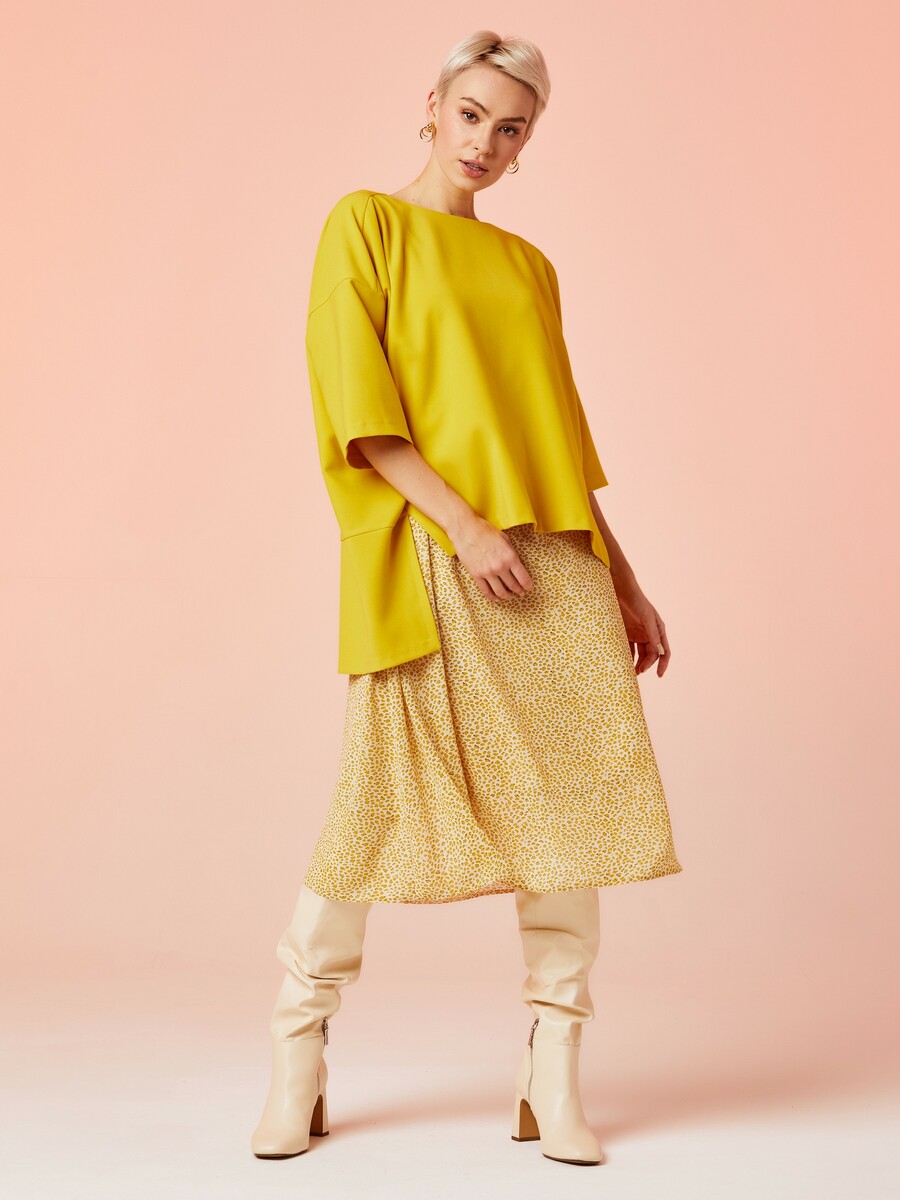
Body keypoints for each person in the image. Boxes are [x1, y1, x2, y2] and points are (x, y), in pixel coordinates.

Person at [251, 29, 683, 1168]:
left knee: (572, 809)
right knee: (375, 801)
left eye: (512, 127)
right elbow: (360, 405)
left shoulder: (530, 267)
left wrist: (625, 580)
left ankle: (555, 1065)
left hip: (555, 561)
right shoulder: (366, 225)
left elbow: (562, 442)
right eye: (473, 113)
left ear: (528, 144)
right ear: (433, 105)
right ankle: (298, 1048)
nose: (486, 140)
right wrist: (465, 523)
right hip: (436, 552)